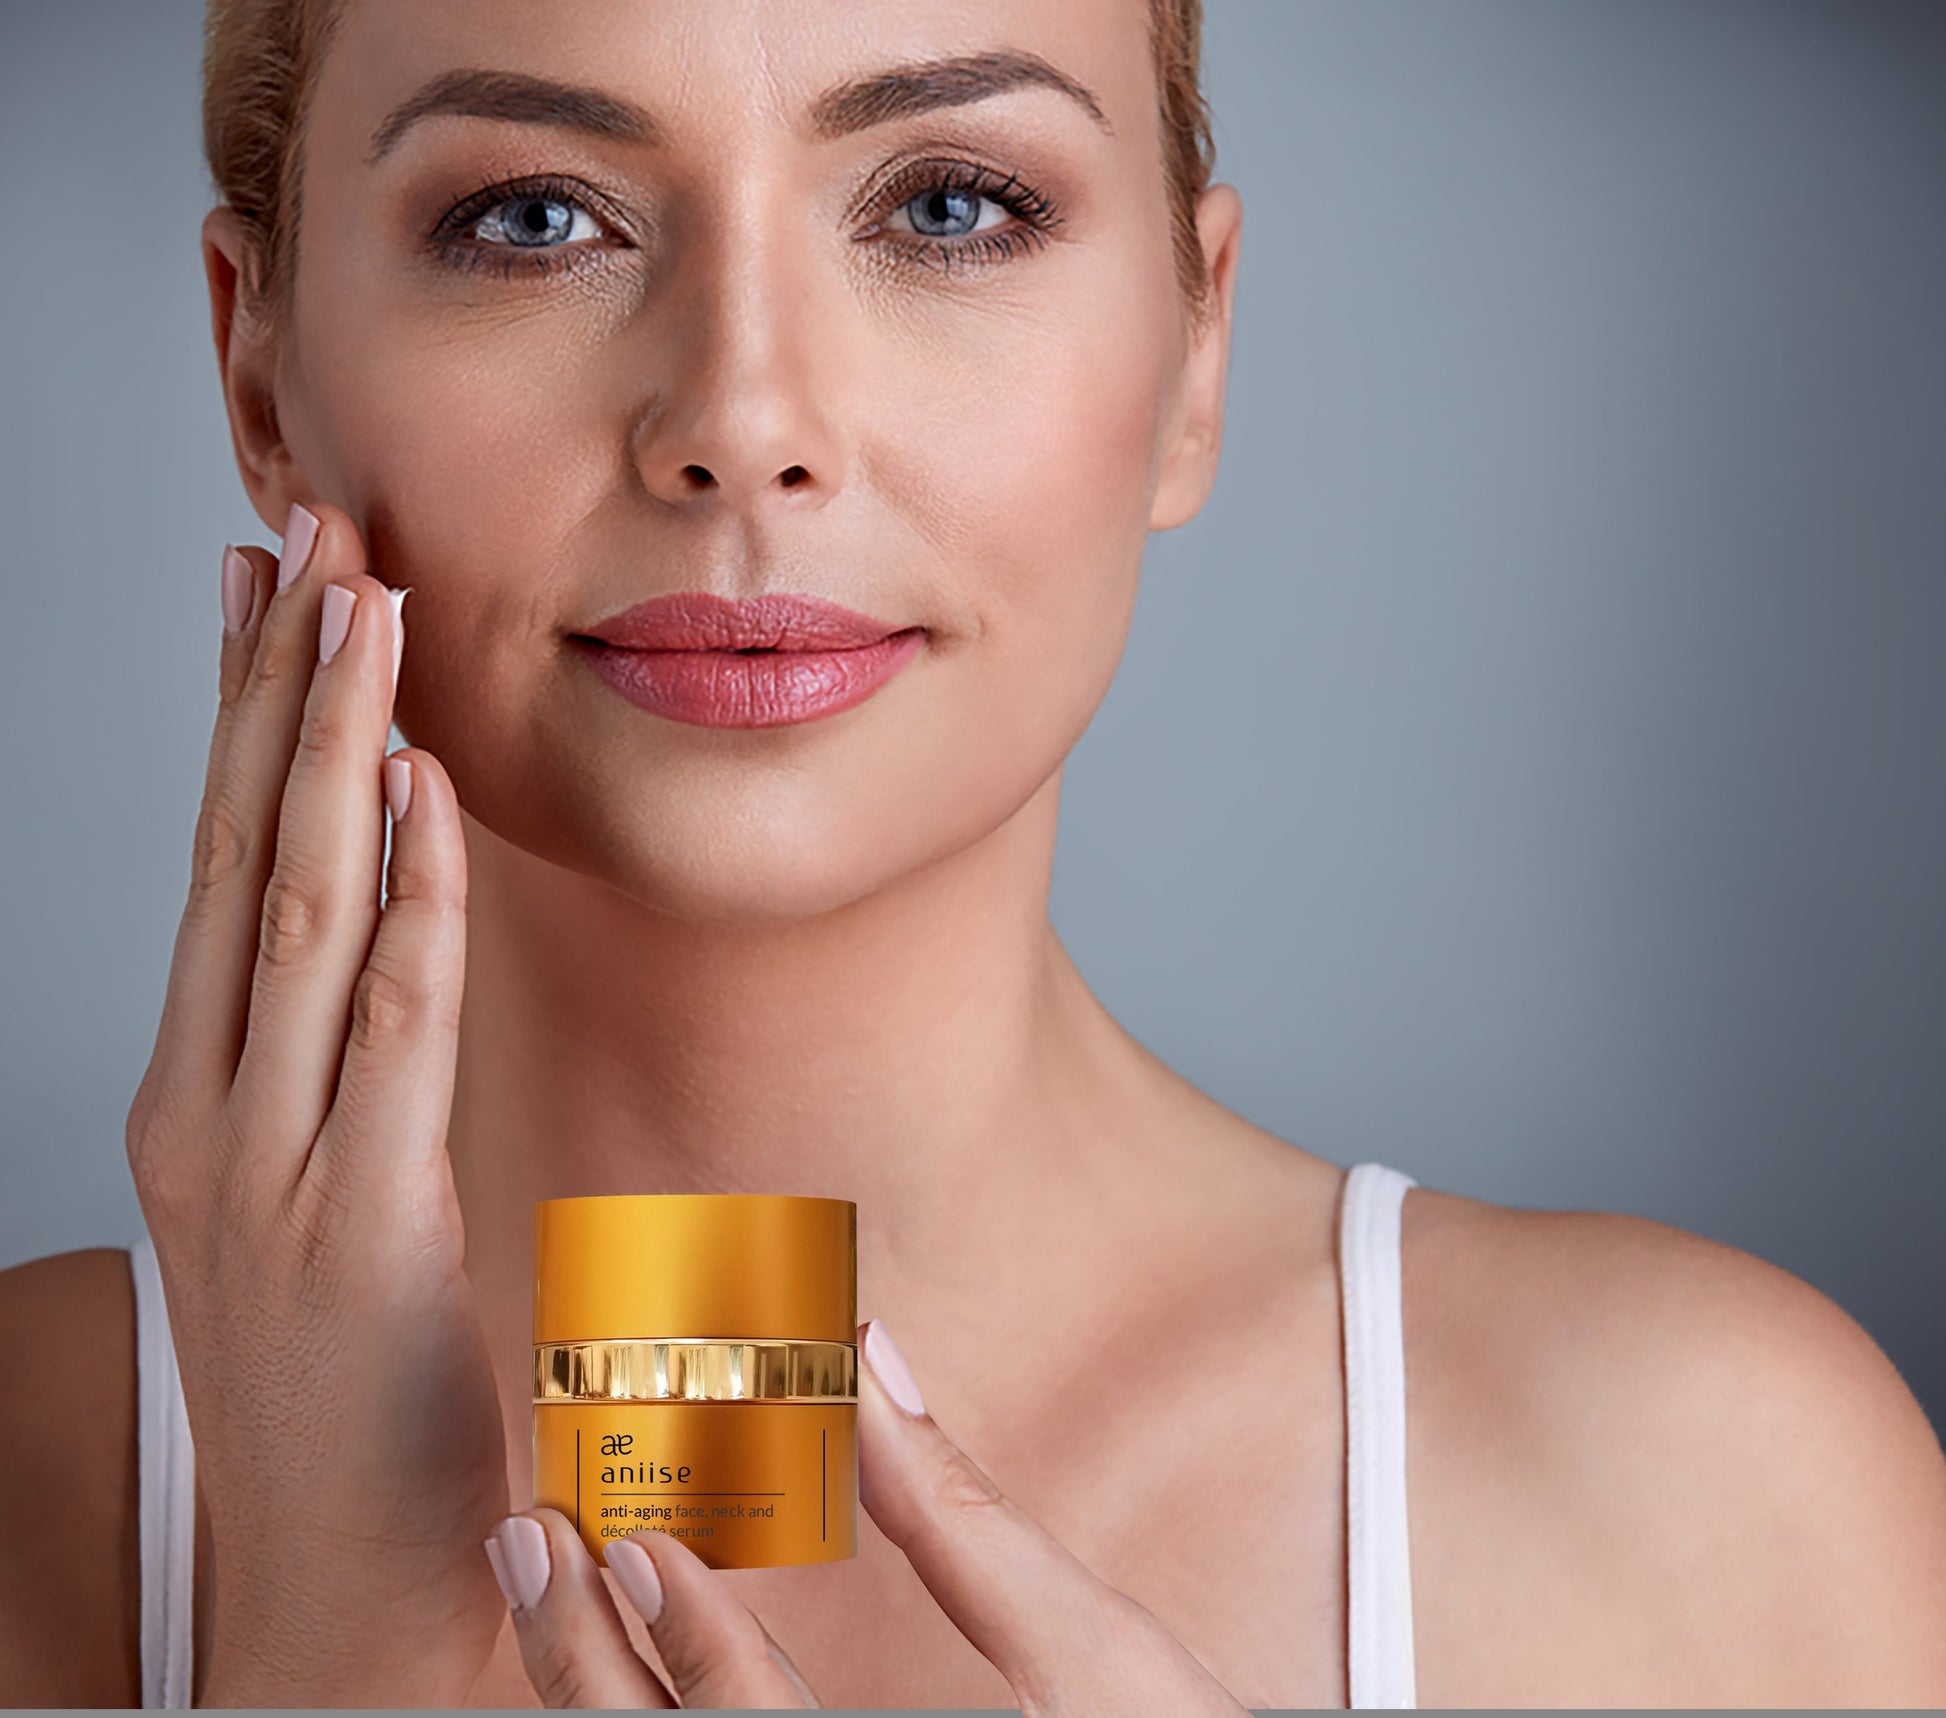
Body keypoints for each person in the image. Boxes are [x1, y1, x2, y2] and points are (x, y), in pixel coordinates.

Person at [4, 0, 1944, 1707]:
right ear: (260, 375)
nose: (743, 420)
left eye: (947, 207)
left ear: (1194, 349)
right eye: (532, 219)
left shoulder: (1704, 1501)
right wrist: (316, 1671)